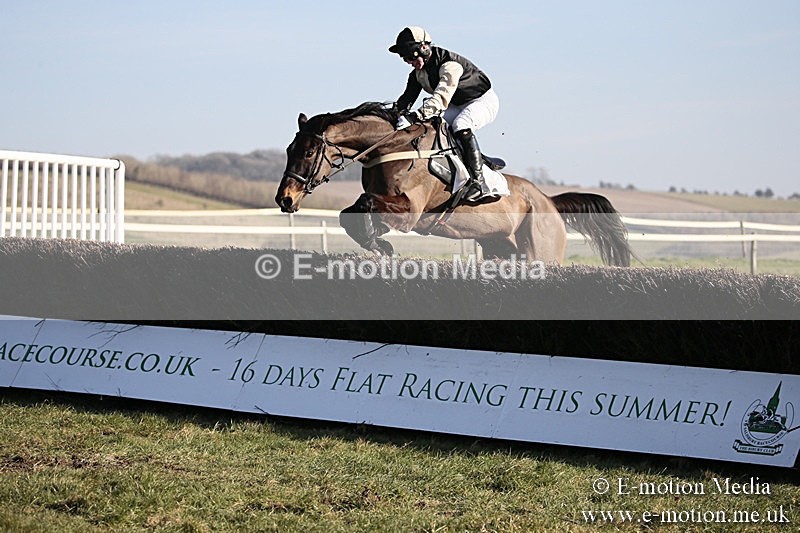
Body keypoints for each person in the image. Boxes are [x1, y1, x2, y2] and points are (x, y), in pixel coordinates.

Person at [389, 26, 499, 200]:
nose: (409, 61)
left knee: (461, 125)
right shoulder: (418, 73)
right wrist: (393, 115)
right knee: (431, 126)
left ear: (424, 48)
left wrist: (414, 116)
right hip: (457, 104)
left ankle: (479, 182)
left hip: (482, 101)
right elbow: (405, 100)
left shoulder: (449, 65)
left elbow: (440, 99)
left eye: (411, 56)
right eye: (405, 58)